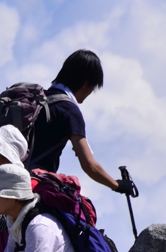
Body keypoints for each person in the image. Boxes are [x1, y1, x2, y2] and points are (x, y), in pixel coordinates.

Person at [28, 49, 134, 196]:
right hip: (32, 185)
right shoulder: (69, 110)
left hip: (1, 178)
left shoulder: (37, 100)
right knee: (77, 213)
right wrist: (117, 185)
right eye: (93, 87)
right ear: (85, 83)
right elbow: (89, 165)